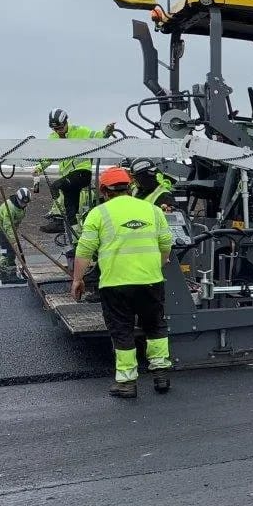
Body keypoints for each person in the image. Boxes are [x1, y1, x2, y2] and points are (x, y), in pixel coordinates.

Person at [71, 166, 173, 399]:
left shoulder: (99, 213)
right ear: (129, 187)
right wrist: (157, 265)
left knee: (122, 330)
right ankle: (161, 375)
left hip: (115, 285)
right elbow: (166, 243)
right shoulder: (152, 210)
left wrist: (77, 279)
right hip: (151, 281)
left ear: (104, 191)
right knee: (155, 326)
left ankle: (127, 383)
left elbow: (84, 250)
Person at [32, 109, 117, 235]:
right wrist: (39, 168)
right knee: (71, 212)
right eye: (55, 129)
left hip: (81, 173)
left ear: (66, 122)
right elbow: (48, 158)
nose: (58, 131)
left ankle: (57, 218)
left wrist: (107, 132)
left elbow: (98, 136)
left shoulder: (80, 131)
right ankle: (76, 238)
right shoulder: (52, 138)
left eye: (60, 128)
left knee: (56, 186)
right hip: (69, 178)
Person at [0, 186, 32, 284]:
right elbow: (7, 225)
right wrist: (13, 241)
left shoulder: (23, 208)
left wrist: (15, 232)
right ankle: (8, 275)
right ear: (17, 198)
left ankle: (4, 274)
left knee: (8, 251)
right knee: (9, 251)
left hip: (10, 227)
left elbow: (17, 221)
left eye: (25, 203)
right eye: (22, 202)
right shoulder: (9, 207)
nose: (23, 205)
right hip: (0, 228)